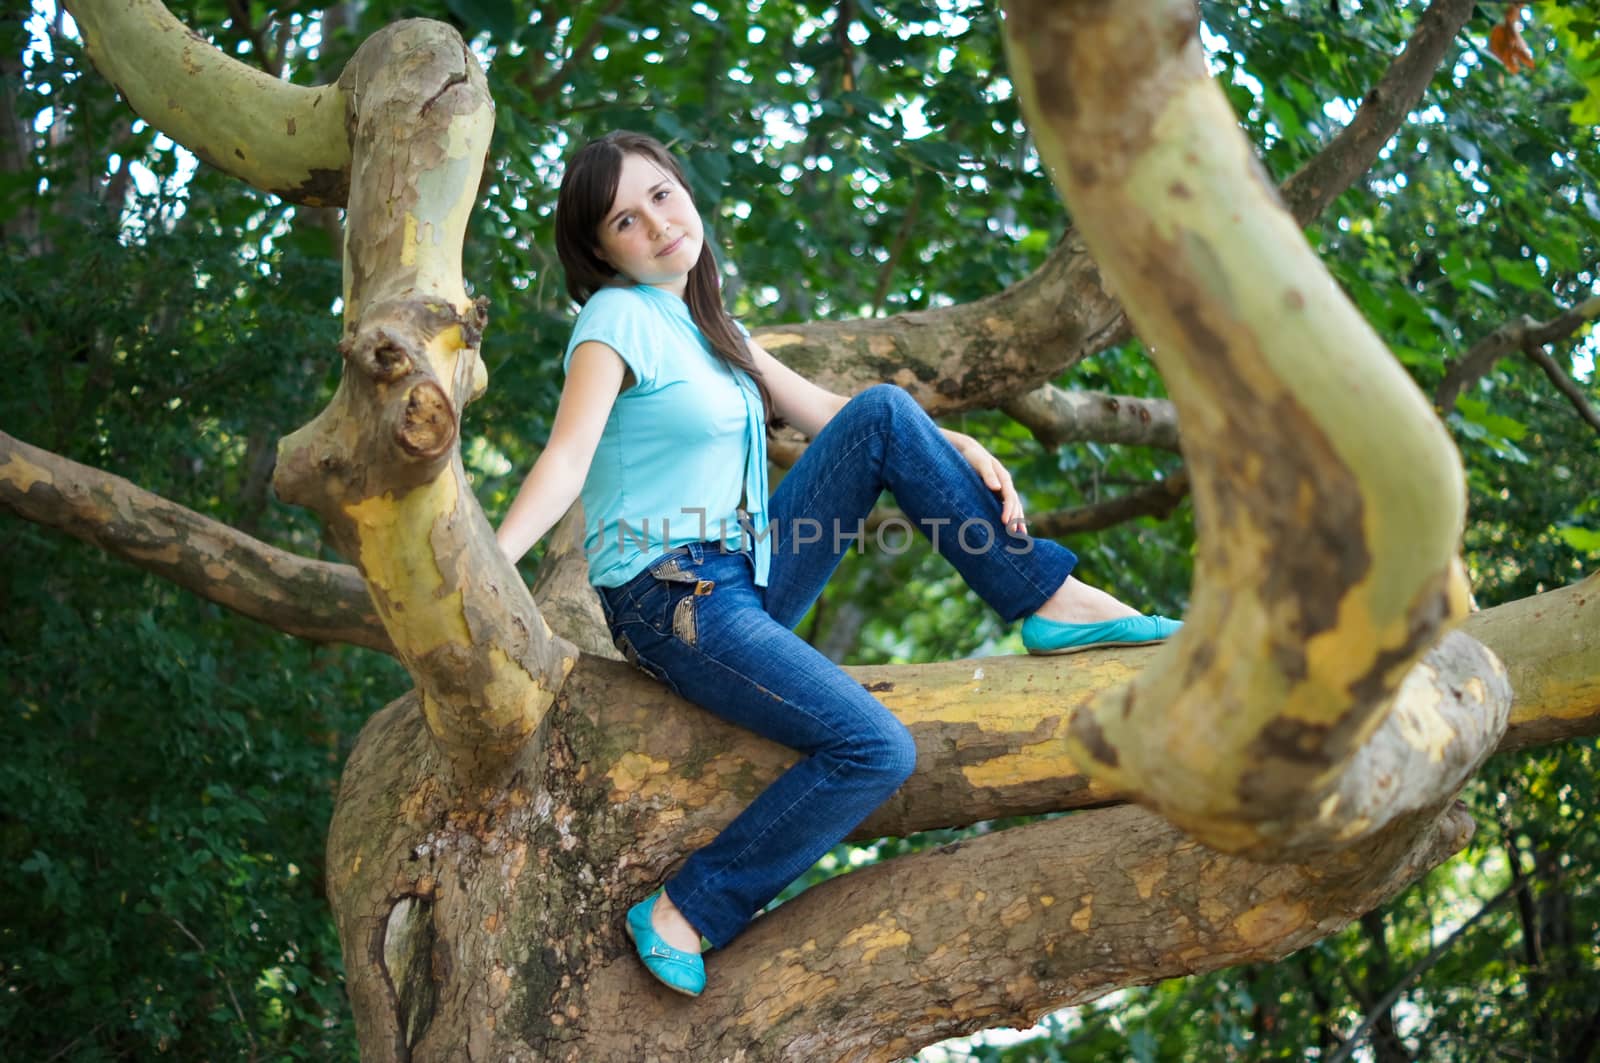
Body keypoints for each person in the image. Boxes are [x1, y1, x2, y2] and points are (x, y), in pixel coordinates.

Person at [496, 131, 1180, 997]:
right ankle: (686, 908)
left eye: (663, 195)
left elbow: (834, 413)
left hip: (743, 573)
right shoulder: (616, 319)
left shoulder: (712, 326)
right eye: (627, 220)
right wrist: (487, 569)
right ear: (603, 250)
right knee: (875, 748)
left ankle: (1048, 598)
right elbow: (566, 458)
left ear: (686, 190)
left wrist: (951, 441)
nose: (659, 223)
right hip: (672, 598)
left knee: (889, 414)